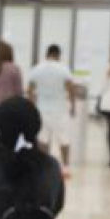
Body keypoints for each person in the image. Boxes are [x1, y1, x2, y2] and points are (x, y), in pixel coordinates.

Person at [26, 45, 77, 173]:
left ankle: (44, 166)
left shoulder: (37, 69)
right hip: (60, 109)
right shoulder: (63, 69)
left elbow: (30, 90)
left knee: (43, 140)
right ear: (58, 55)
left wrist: (32, 106)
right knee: (64, 139)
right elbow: (70, 88)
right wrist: (73, 106)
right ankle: (65, 167)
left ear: (47, 54)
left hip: (42, 109)